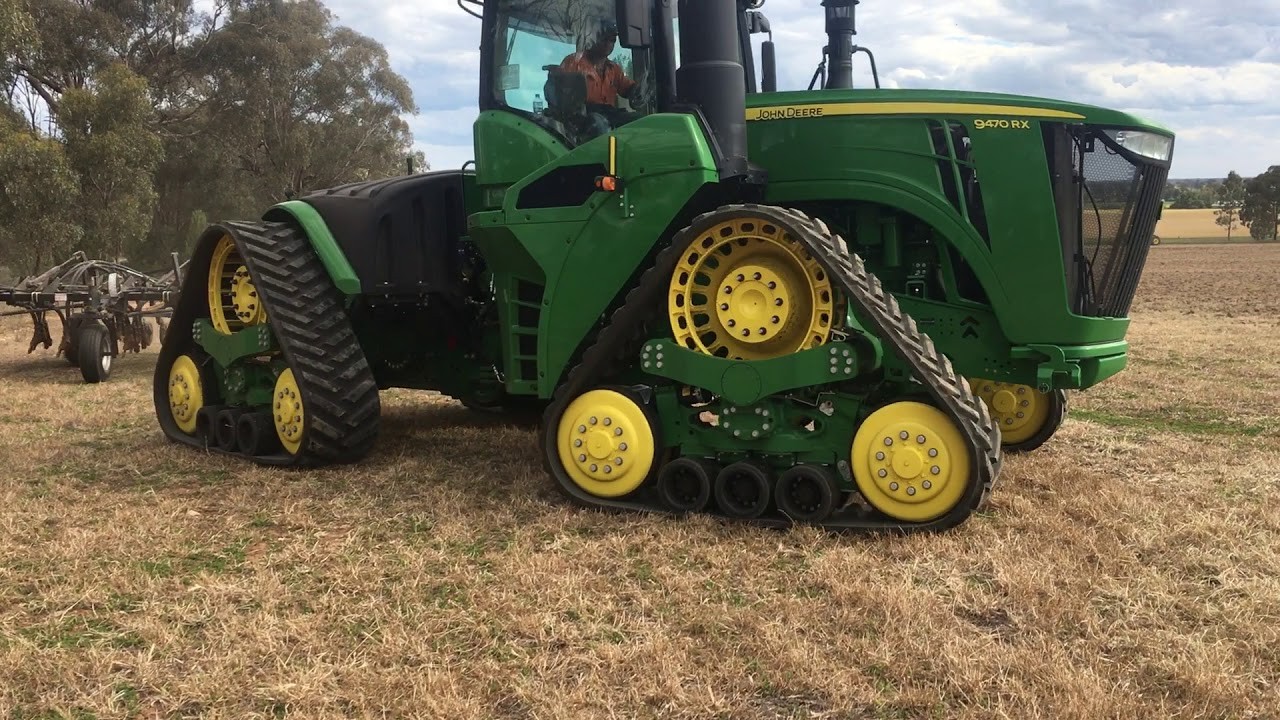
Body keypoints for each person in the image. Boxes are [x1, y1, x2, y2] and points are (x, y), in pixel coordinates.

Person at [559, 20, 639, 110]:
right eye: (604, 38)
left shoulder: (614, 69)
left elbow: (628, 89)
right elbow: (561, 97)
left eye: (612, 40)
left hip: (608, 120)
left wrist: (637, 91)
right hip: (582, 120)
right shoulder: (573, 63)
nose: (608, 43)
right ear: (592, 38)